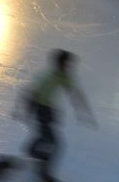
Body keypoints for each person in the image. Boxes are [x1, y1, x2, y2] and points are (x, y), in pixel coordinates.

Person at [13, 49, 96, 182]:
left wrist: (82, 110)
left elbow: (74, 92)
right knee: (55, 144)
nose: (69, 67)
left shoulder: (64, 76)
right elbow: (28, 92)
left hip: (50, 110)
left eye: (69, 65)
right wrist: (22, 111)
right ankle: (44, 172)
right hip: (40, 109)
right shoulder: (47, 77)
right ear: (60, 64)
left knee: (44, 136)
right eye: (67, 64)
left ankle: (30, 151)